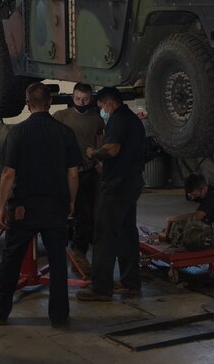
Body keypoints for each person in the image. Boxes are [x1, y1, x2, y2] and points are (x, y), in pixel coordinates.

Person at [0, 83, 80, 327]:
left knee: (10, 261)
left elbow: (8, 173)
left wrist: (1, 206)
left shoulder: (17, 133)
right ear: (49, 103)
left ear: (28, 104)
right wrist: (71, 201)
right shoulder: (65, 133)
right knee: (58, 264)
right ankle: (59, 317)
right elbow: (73, 174)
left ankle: (0, 313)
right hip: (55, 208)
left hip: (23, 210)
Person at [76, 87, 147, 301]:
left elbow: (113, 149)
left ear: (109, 103)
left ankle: (101, 287)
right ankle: (130, 282)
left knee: (104, 234)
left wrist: (94, 153)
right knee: (126, 233)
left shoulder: (118, 119)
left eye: (101, 107)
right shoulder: (132, 120)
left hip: (117, 185)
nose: (101, 112)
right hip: (131, 182)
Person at [53, 83, 104, 274]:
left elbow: (99, 141)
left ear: (90, 99)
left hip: (90, 172)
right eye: (77, 99)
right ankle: (78, 254)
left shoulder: (96, 119)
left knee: (92, 215)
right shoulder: (61, 117)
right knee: (80, 215)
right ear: (72, 97)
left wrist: (99, 160)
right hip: (69, 173)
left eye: (85, 99)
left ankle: (81, 252)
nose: (81, 102)